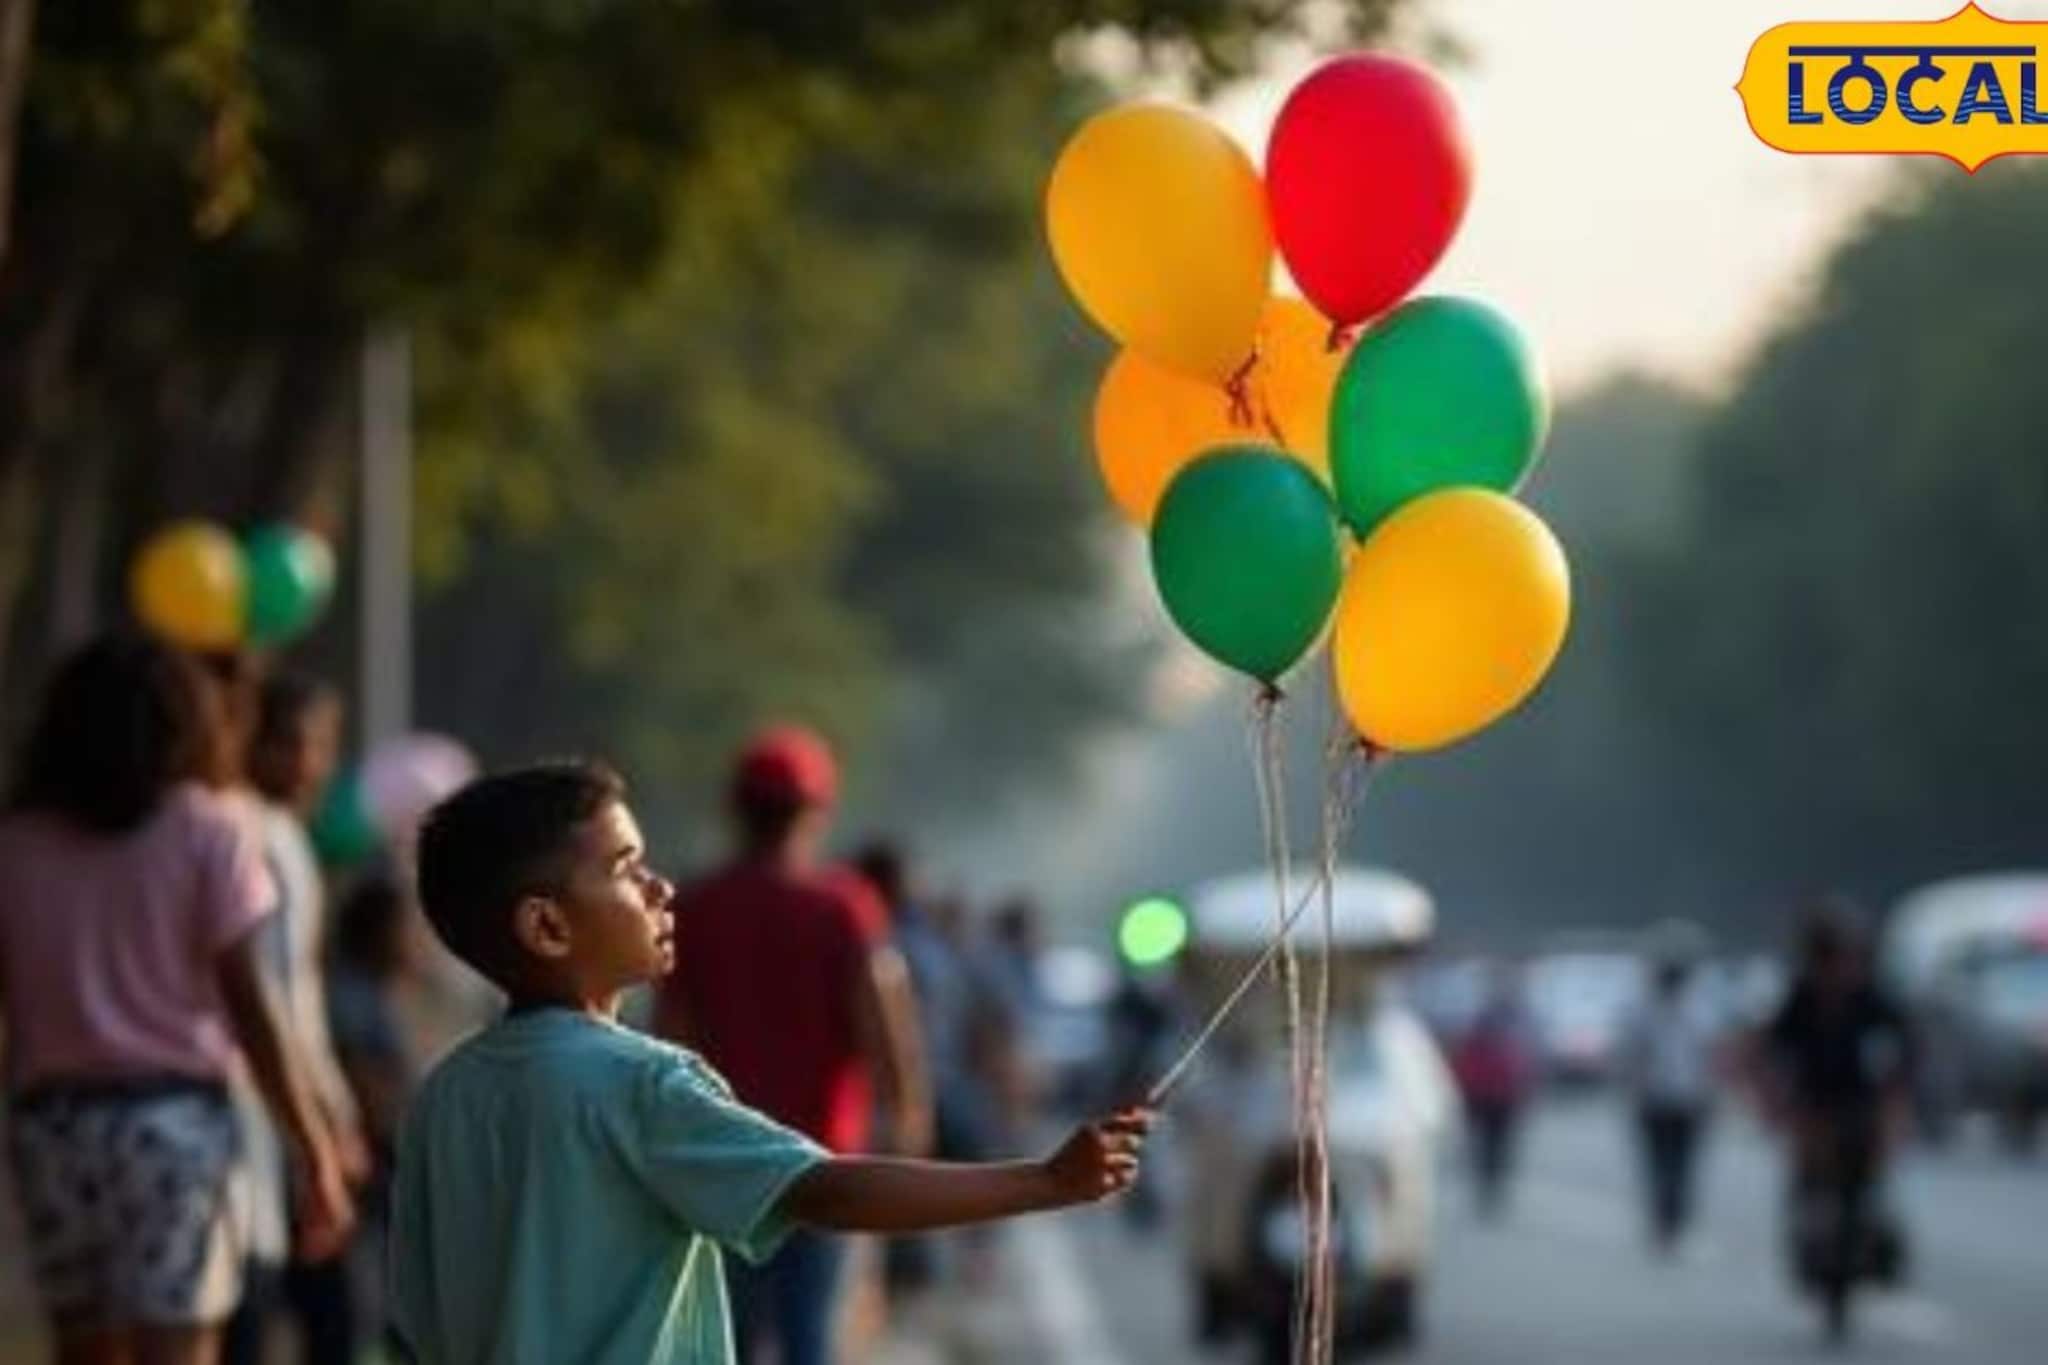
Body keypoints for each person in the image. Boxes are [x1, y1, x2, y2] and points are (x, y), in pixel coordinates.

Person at [390, 762, 1151, 1365]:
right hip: (758, 1174)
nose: (659, 886)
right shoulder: (640, 1080)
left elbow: (417, 1315)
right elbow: (827, 1191)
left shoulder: (445, 1094)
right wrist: (1045, 1180)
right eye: (626, 867)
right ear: (548, 924)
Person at [0, 634, 353, 1365]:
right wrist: (313, 1144)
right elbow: (255, 1010)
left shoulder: (18, 842)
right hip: (175, 1125)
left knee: (83, 1347)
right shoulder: (208, 829)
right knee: (180, 1348)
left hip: (52, 1128)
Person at [655, 728, 931, 1365]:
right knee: (810, 1333)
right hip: (821, 1162)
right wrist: (909, 1121)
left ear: (737, 808)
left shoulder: (696, 906)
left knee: (733, 1337)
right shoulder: (843, 907)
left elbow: (673, 1036)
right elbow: (882, 1025)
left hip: (721, 1157)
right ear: (814, 812)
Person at [225, 669, 368, 1365]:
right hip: (264, 1113)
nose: (314, 764)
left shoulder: (274, 834)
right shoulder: (258, 836)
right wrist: (327, 1117)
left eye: (321, 746)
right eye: (302, 744)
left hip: (268, 1109)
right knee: (299, 1311)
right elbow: (276, 998)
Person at [1753, 898, 1914, 1306]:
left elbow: (1904, 1044)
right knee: (1807, 1181)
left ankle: (1875, 1243)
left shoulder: (1867, 997)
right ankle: (1810, 1245)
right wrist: (1773, 1100)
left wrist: (1894, 1095)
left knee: (1871, 1181)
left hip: (1858, 1103)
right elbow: (1770, 1048)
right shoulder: (1802, 998)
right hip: (1813, 1107)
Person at [1618, 953, 1717, 1254]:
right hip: (1658, 1102)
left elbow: (1709, 1059)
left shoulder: (1697, 1013)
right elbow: (1633, 1058)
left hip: (1685, 1102)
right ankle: (1664, 1219)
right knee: (1662, 1164)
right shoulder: (1646, 1014)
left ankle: (1672, 1219)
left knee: (1679, 1166)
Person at [1449, 964, 1539, 1219]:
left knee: (1492, 1143)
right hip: (1493, 1093)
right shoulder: (1508, 1023)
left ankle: (1490, 1182)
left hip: (1491, 1094)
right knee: (1495, 1144)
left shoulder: (1492, 1021)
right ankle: (1490, 1182)